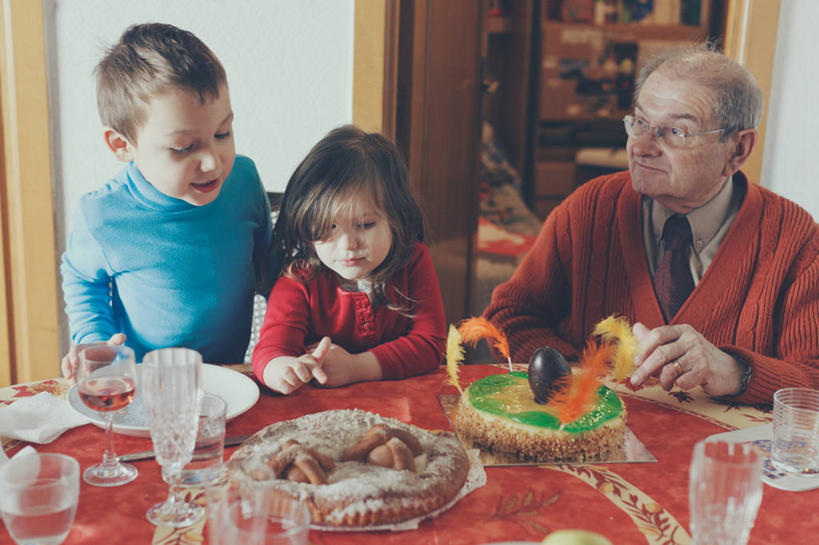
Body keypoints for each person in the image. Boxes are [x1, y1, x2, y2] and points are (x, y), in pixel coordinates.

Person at [483, 43, 819, 405]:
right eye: (640, 123)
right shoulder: (590, 209)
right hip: (590, 450)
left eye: (676, 132)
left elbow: (813, 378)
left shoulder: (794, 238)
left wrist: (735, 371)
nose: (641, 147)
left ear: (737, 150)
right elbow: (509, 316)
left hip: (723, 457)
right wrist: (575, 379)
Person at [61, 23, 276, 378]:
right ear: (122, 146)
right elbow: (82, 277)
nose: (212, 162)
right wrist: (93, 337)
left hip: (233, 373)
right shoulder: (103, 215)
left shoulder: (244, 180)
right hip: (148, 381)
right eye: (184, 148)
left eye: (223, 133)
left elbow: (271, 269)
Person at [251, 125, 446, 394]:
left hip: (399, 403)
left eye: (365, 225)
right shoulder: (299, 279)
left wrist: (356, 367)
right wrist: (281, 369)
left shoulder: (413, 261)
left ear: (396, 219)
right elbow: (271, 349)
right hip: (320, 412)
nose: (348, 245)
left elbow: (430, 344)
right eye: (329, 228)